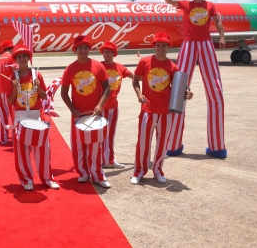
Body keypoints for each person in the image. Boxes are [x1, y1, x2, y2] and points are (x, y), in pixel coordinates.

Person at [158, 0, 227, 158]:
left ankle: (217, 147)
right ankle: (173, 144)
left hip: (206, 44)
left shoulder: (210, 5)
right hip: (189, 44)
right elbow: (170, 1)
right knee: (179, 88)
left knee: (215, 89)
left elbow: (218, 21)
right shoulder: (186, 4)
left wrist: (222, 36)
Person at [130, 33, 193, 184]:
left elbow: (179, 89)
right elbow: (135, 80)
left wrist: (186, 94)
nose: (161, 48)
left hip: (166, 111)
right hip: (148, 109)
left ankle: (158, 169)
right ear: (154, 46)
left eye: (164, 45)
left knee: (162, 143)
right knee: (143, 142)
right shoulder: (144, 62)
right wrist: (139, 94)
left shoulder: (173, 67)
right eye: (158, 45)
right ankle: (139, 171)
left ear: (168, 47)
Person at [60, 35, 111, 188]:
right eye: (80, 48)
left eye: (85, 47)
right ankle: (83, 172)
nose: (83, 50)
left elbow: (107, 87)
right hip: (78, 115)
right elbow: (64, 93)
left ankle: (97, 175)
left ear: (89, 49)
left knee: (95, 146)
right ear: (75, 50)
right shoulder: (70, 69)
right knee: (79, 146)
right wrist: (73, 109)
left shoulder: (98, 66)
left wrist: (100, 105)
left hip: (95, 114)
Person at [7, 45, 59, 191]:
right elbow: (10, 101)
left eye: (24, 56)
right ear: (16, 60)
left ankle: (47, 179)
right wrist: (15, 88)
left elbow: (44, 96)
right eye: (19, 57)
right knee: (22, 151)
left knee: (43, 149)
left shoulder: (37, 75)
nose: (22, 59)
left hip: (37, 116)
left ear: (29, 58)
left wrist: (38, 86)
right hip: (20, 117)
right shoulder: (12, 77)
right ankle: (26, 180)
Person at [99, 41, 133, 169]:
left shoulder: (119, 67)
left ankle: (108, 160)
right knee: (99, 135)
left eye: (108, 52)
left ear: (114, 53)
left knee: (110, 135)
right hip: (100, 107)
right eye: (104, 52)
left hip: (113, 106)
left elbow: (135, 77)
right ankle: (98, 159)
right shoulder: (99, 66)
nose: (106, 54)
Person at [0, 40, 15, 144]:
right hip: (10, 91)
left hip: (0, 90)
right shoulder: (12, 57)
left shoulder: (0, 59)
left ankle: (3, 138)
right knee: (14, 114)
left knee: (2, 115)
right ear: (12, 48)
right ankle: (16, 136)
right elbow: (16, 72)